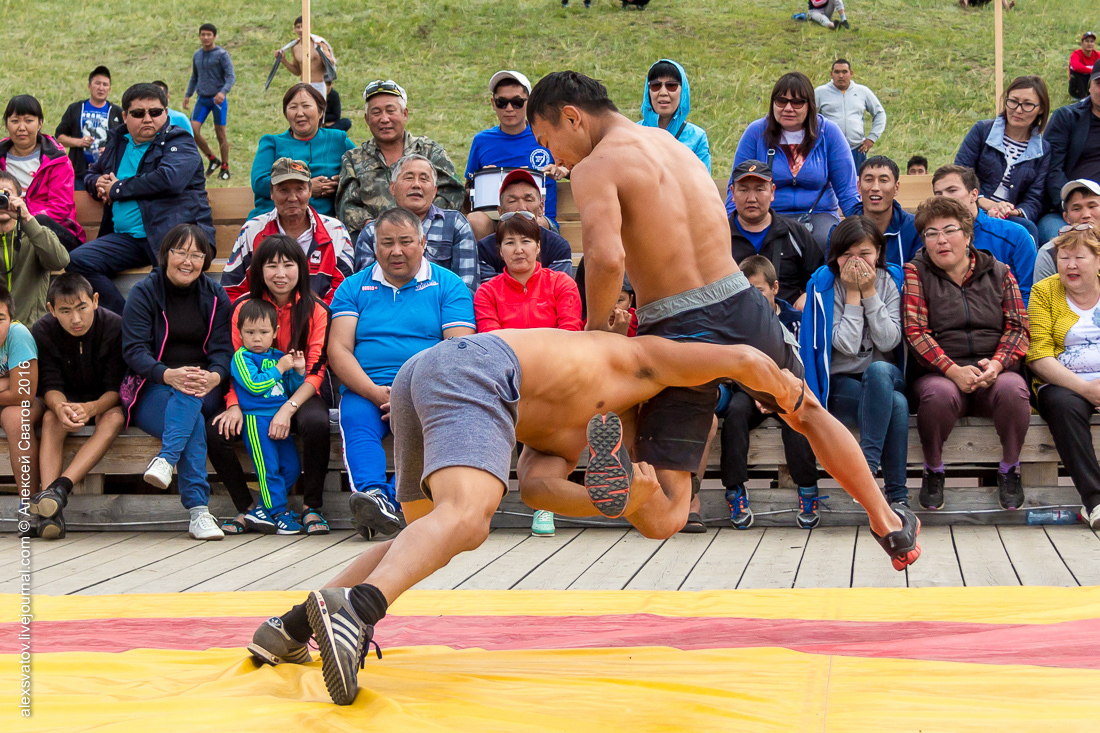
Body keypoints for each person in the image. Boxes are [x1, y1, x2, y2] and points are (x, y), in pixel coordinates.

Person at [246, 329, 919, 706]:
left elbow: (539, 490)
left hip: (432, 374)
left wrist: (618, 498)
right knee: (469, 516)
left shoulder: (578, 432)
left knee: (433, 530)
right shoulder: (640, 362)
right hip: (483, 370)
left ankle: (289, 625)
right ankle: (359, 608)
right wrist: (789, 393)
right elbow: (742, 358)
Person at [526, 71, 916, 544]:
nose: (559, 160)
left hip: (671, 328)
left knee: (666, 514)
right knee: (807, 411)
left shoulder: (596, 167)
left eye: (550, 142)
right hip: (739, 300)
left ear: (572, 117)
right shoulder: (679, 148)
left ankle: (631, 488)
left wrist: (595, 334)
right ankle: (887, 521)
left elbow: (608, 258)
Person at [328, 207, 475, 539]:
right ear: (374, 246)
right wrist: (372, 391)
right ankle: (374, 495)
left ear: (423, 242)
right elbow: (338, 350)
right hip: (367, 388)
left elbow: (456, 352)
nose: (396, 251)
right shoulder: (352, 288)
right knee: (354, 417)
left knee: (435, 423)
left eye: (406, 241)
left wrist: (409, 395)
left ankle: (389, 504)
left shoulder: (448, 285)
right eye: (387, 243)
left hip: (428, 388)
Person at [903, 196, 1030, 512]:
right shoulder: (916, 272)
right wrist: (951, 369)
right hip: (940, 373)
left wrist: (998, 364)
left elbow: (1018, 328)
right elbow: (915, 331)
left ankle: (1010, 469)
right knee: (938, 395)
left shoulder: (1000, 272)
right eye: (931, 233)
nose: (941, 240)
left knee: (1014, 389)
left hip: (993, 370)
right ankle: (933, 471)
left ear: (969, 235)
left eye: (949, 230)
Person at [208, 234, 334, 537]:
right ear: (258, 270)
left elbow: (316, 371)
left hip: (298, 391)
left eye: (288, 265)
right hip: (252, 397)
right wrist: (233, 405)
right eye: (271, 266)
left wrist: (288, 409)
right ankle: (248, 508)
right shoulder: (243, 309)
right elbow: (234, 365)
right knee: (215, 429)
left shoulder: (316, 309)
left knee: (317, 422)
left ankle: (311, 507)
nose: (280, 274)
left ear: (301, 269)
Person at [121, 224, 232, 541]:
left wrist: (214, 376)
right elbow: (133, 350)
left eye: (196, 254)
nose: (188, 261)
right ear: (165, 254)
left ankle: (166, 459)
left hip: (204, 386)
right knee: (192, 420)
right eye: (180, 252)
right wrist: (168, 374)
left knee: (191, 396)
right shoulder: (145, 292)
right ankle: (198, 512)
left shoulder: (214, 295)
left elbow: (224, 350)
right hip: (151, 387)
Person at [474, 210, 581, 537]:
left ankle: (545, 504)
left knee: (543, 412)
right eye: (510, 242)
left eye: (526, 241)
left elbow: (570, 333)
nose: (518, 249)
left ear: (538, 247)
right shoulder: (487, 292)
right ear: (499, 250)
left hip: (555, 375)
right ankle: (478, 508)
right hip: (505, 377)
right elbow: (492, 341)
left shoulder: (561, 283)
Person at [68, 83, 215, 316]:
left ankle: (148, 328)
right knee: (78, 261)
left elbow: (169, 179)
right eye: (138, 113)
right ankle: (122, 318)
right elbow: (92, 172)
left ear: (165, 113)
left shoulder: (180, 141)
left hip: (171, 236)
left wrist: (117, 189)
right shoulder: (120, 142)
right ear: (125, 116)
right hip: (128, 240)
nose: (148, 118)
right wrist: (97, 183)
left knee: (164, 280)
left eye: (155, 112)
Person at [802, 216, 909, 507]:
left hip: (886, 374)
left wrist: (870, 293)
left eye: (865, 254)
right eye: (847, 254)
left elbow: (889, 341)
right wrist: (852, 293)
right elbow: (847, 347)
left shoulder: (891, 281)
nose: (856, 262)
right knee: (896, 405)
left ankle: (866, 464)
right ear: (835, 257)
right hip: (843, 380)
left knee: (878, 371)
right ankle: (899, 499)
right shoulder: (826, 286)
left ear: (878, 253)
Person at [720, 255, 818, 529]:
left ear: (775, 287)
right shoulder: (736, 323)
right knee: (735, 413)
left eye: (759, 290)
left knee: (797, 420)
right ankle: (735, 490)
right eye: (746, 292)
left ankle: (808, 488)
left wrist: (779, 392)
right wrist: (756, 394)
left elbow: (804, 361)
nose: (753, 298)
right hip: (752, 392)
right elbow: (733, 365)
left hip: (790, 387)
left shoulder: (795, 320)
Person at [26, 274, 125, 540]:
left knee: (115, 418)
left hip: (103, 402)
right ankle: (50, 510)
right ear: (51, 310)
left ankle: (59, 490)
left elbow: (116, 388)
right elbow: (49, 383)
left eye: (81, 308)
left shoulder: (114, 326)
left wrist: (92, 408)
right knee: (49, 419)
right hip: (66, 402)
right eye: (65, 311)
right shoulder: (43, 330)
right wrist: (60, 408)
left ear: (94, 301)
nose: (76, 319)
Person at [728, 72, 860, 251]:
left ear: (810, 105)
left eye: (797, 102)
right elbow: (736, 186)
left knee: (827, 243)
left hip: (819, 216)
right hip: (768, 216)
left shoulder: (829, 133)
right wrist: (728, 227)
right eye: (781, 101)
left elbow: (847, 193)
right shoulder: (756, 133)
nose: (788, 108)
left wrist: (863, 232)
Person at [1027, 226, 1100, 529]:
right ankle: (1096, 501)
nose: (1070, 265)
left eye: (1079, 257)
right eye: (1063, 257)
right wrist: (1087, 389)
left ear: (1098, 261)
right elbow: (1038, 355)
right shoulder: (1045, 291)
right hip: (1064, 382)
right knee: (1062, 404)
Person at [337, 80, 463, 241]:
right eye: (376, 113)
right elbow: (347, 206)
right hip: (376, 238)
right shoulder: (353, 159)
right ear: (367, 119)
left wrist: (418, 221)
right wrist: (378, 227)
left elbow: (453, 192)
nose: (384, 119)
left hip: (430, 233)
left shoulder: (429, 150)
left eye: (391, 111)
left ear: (404, 114)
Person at [222, 158, 353, 305]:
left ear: (310, 191)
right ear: (271, 193)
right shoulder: (252, 230)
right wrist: (259, 321)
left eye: (300, 189)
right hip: (263, 324)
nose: (292, 198)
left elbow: (343, 292)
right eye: (283, 190)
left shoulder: (335, 231)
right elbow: (232, 289)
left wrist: (316, 318)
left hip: (320, 323)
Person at [229, 298, 307, 534]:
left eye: (263, 332)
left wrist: (299, 370)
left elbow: (289, 387)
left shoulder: (277, 356)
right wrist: (281, 368)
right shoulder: (242, 358)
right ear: (240, 333)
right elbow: (254, 385)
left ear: (275, 332)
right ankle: (279, 512)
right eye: (249, 332)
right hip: (256, 421)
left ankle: (261, 511)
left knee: (292, 467)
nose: (256, 338)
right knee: (268, 468)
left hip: (280, 421)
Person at [352, 154, 478, 292]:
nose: (416, 185)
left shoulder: (456, 224)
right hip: (387, 309)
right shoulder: (372, 231)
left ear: (435, 191)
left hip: (442, 309)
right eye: (409, 178)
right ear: (392, 188)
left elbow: (467, 288)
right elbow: (366, 288)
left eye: (424, 179)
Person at [465, 70, 564, 241]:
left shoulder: (547, 134)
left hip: (540, 218)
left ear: (529, 102)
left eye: (517, 102)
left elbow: (574, 168)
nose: (509, 108)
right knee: (475, 220)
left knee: (533, 222)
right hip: (496, 218)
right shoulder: (482, 141)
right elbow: (468, 188)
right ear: (493, 103)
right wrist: (481, 181)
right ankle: (483, 268)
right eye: (502, 102)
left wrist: (560, 170)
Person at [955, 75, 1051, 245]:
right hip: (973, 204)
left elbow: (1035, 198)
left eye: (1027, 104)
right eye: (1013, 101)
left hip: (1008, 214)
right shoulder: (982, 131)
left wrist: (1014, 212)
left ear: (1041, 109)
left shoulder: (1043, 150)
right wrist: (983, 202)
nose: (1018, 110)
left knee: (1026, 229)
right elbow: (959, 174)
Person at [932, 165, 1036, 304]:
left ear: (974, 195)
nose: (944, 199)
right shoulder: (932, 239)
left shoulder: (1014, 235)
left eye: (952, 190)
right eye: (938, 194)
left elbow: (1030, 294)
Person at [249, 84, 354, 220]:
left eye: (306, 106)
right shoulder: (272, 142)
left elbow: (361, 171)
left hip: (323, 223)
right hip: (273, 221)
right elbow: (259, 182)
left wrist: (342, 184)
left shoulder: (338, 139)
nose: (299, 113)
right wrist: (307, 186)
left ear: (321, 112)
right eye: (293, 107)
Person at [728, 159, 822, 309]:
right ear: (732, 192)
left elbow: (821, 275)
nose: (751, 198)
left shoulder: (795, 233)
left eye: (759, 190)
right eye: (744, 190)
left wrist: (809, 294)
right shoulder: (720, 237)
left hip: (788, 324)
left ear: (772, 192)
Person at [2, 95, 85, 250]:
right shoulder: (1, 157)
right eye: (15, 121)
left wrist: (23, 216)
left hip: (54, 233)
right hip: (7, 228)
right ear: (6, 124)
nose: (21, 127)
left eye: (28, 120)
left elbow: (60, 207)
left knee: (40, 220)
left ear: (40, 123)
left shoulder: (57, 159)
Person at [0, 285, 45, 537]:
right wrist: (7, 382)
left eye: (0, 319)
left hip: (29, 403)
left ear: (11, 318)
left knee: (17, 417)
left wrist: (12, 385)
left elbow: (25, 392)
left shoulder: (18, 334)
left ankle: (29, 504)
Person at [477, 169, 573, 283]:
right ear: (501, 211)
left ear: (541, 208)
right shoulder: (485, 248)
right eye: (512, 201)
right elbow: (489, 294)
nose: (521, 207)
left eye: (528, 200)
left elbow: (560, 291)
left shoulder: (557, 246)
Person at [0, 172, 70, 325]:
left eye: (6, 194)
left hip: (31, 329)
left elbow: (60, 261)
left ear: (20, 199)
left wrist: (27, 219)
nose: (1, 201)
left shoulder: (36, 234)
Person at [1040, 67, 1100, 243]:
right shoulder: (1066, 118)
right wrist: (1070, 207)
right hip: (1065, 211)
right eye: (1099, 83)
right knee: (1067, 244)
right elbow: (1051, 168)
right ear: (1089, 86)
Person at [54, 66, 123, 192]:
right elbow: (59, 137)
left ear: (109, 89)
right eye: (97, 83)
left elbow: (126, 140)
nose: (101, 88)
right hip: (79, 172)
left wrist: (109, 149)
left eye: (105, 84)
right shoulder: (75, 109)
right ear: (89, 86)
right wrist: (79, 142)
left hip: (108, 173)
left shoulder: (117, 112)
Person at [638, 59, 711, 172]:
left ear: (683, 91)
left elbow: (704, 185)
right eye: (655, 86)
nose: (663, 92)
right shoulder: (633, 134)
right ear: (648, 91)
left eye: (671, 86)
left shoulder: (697, 138)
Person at [183, 23, 235, 180]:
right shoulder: (197, 55)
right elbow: (194, 77)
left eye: (209, 35)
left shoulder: (221, 54)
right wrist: (188, 94)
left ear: (214, 36)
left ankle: (225, 167)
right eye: (203, 34)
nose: (205, 37)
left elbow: (230, 76)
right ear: (199, 36)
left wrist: (223, 92)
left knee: (220, 134)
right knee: (192, 130)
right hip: (202, 99)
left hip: (217, 100)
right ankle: (212, 159)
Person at [814, 59, 887, 169]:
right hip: (829, 150)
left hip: (856, 149)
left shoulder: (863, 91)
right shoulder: (820, 93)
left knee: (857, 183)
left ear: (851, 73)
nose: (841, 76)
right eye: (837, 72)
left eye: (844, 72)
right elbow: (808, 117)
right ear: (831, 74)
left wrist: (872, 138)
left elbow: (879, 113)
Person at [851, 156, 921, 266]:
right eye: (868, 180)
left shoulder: (915, 228)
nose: (875, 187)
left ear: (896, 188)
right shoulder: (840, 231)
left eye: (883, 180)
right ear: (859, 187)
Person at [1035, 179, 1100, 281]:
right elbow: (1042, 295)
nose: (1086, 215)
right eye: (1076, 209)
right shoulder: (1050, 252)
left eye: (1092, 206)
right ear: (1066, 217)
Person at [275, 16, 337, 97]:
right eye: (298, 27)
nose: (301, 30)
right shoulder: (295, 47)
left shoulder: (319, 43)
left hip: (318, 85)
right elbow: (297, 71)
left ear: (309, 27)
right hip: (303, 85)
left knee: (318, 109)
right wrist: (284, 61)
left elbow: (331, 62)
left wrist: (321, 51)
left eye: (303, 27)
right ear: (294, 29)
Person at [1069, 31, 1098, 100]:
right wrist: (1093, 71)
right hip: (1077, 87)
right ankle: (1082, 98)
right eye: (1087, 41)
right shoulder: (1076, 54)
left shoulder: (1097, 55)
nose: (1089, 44)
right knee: (1077, 73)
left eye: (1092, 41)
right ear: (1082, 43)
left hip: (1091, 84)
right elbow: (1076, 67)